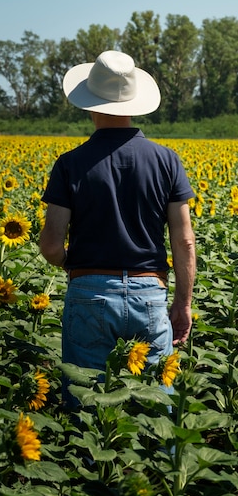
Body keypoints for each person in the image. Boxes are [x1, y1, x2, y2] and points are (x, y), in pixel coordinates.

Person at [39, 50, 196, 410]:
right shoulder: (167, 160)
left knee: (86, 403)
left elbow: (50, 246)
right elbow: (184, 241)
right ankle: (158, 463)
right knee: (157, 404)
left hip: (89, 290)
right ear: (134, 102)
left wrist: (72, 265)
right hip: (149, 293)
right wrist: (183, 303)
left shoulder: (70, 164)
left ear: (90, 104)